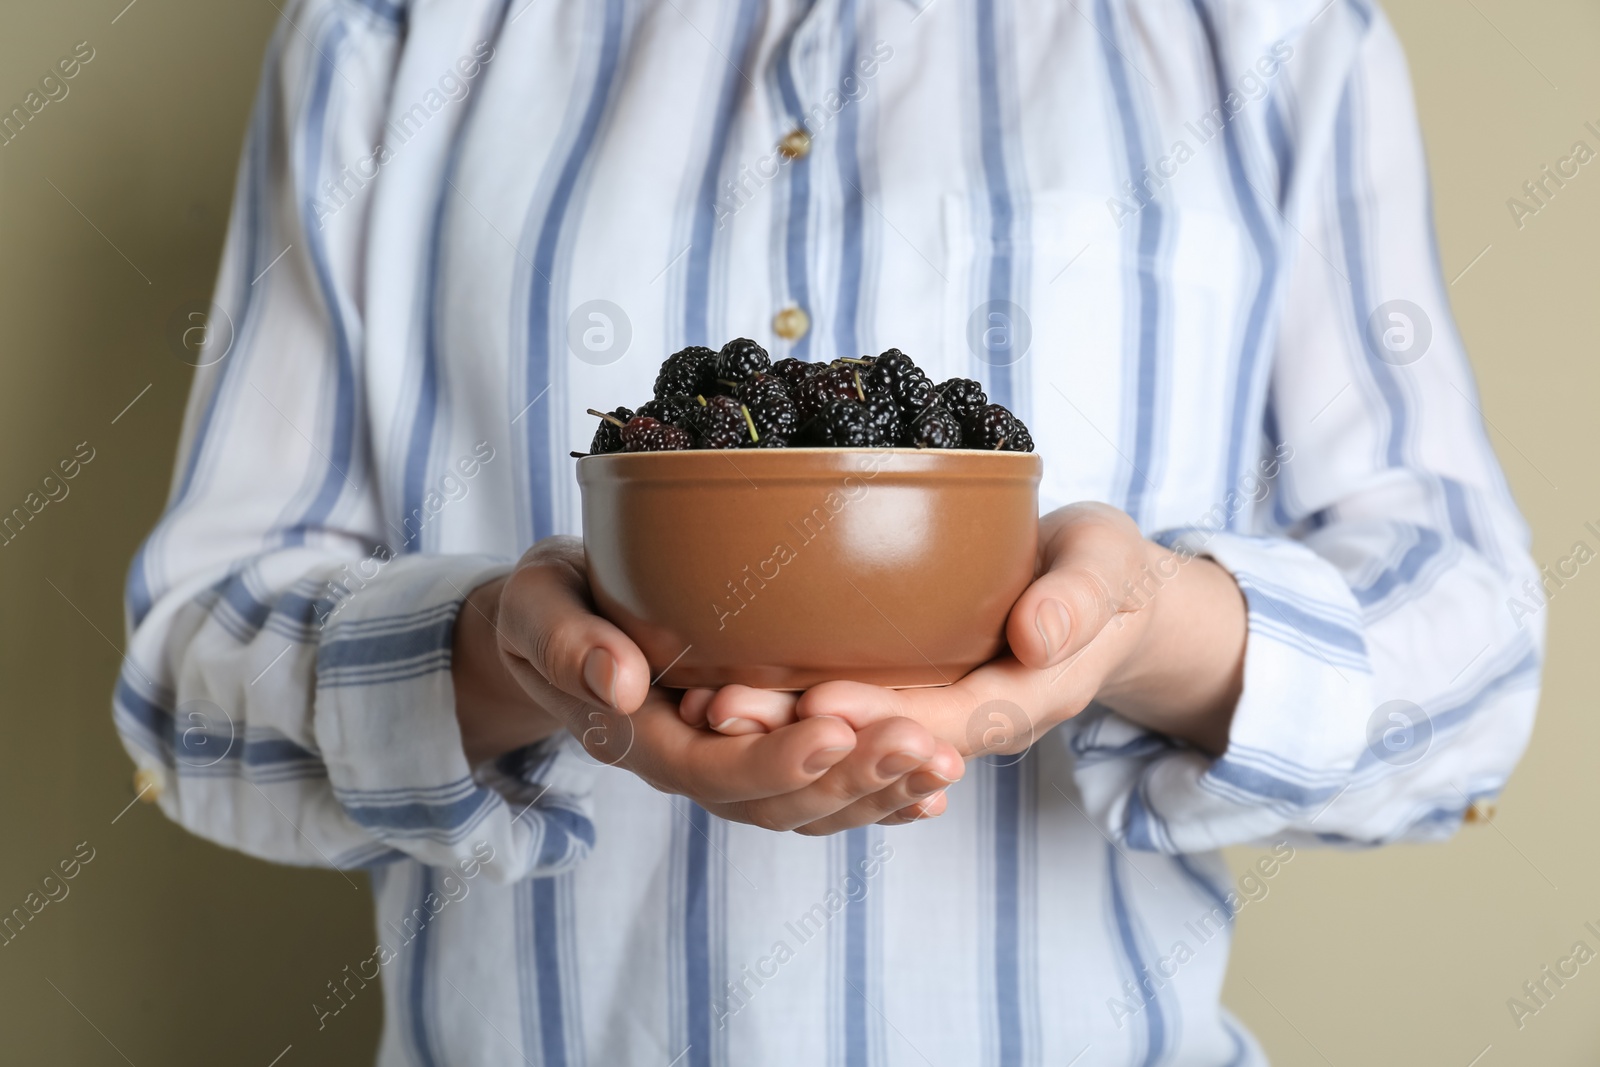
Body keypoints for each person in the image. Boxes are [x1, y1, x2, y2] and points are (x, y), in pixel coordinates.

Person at [115, 0, 1542, 1062]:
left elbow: (1470, 663)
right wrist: (498, 656)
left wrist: (1151, 630)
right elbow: (188, 687)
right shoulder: (395, 35)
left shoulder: (1267, 36)